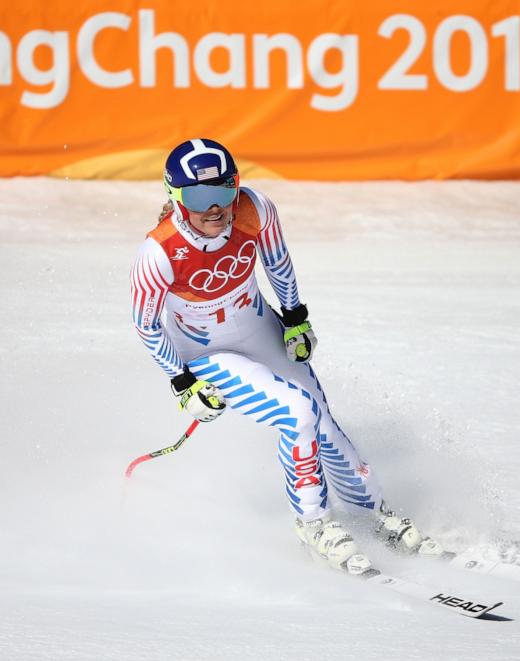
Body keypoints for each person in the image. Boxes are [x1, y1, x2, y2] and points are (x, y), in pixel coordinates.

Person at [130, 138, 442, 574]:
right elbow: (146, 325)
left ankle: (370, 513)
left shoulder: (254, 209)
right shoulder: (158, 252)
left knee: (322, 422)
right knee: (297, 414)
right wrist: (184, 384)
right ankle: (313, 524)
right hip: (206, 353)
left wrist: (295, 318)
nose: (216, 207)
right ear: (175, 197)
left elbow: (277, 262)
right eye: (199, 197)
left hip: (260, 328)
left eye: (224, 190)